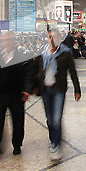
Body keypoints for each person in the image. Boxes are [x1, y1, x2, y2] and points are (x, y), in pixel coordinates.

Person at [31, 29, 81, 160]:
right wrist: (34, 86)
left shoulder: (65, 53)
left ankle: (56, 145)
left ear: (59, 38)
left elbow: (73, 71)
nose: (51, 39)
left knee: (56, 118)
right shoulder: (42, 53)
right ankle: (54, 139)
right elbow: (36, 70)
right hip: (45, 90)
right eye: (49, 37)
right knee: (49, 119)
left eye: (54, 37)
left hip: (59, 89)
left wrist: (77, 89)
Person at [0, 31, 31, 156]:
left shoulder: (21, 56)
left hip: (16, 95)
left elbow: (27, 75)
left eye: (9, 40)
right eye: (4, 40)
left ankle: (17, 145)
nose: (6, 42)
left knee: (18, 121)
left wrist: (27, 89)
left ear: (14, 42)